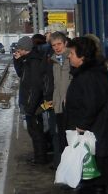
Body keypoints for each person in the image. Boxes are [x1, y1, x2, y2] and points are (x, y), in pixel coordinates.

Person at [64, 36, 108, 194]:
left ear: (83, 56)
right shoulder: (90, 73)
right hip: (96, 128)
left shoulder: (88, 76)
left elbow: (92, 104)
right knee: (94, 162)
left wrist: (81, 125)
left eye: (71, 53)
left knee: (96, 162)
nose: (68, 56)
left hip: (95, 129)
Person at [13, 35, 50, 165]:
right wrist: (17, 60)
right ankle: (39, 156)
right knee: (33, 130)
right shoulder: (28, 60)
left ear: (24, 48)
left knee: (36, 131)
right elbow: (21, 74)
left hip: (33, 103)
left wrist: (30, 106)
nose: (17, 50)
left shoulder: (33, 62)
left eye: (19, 48)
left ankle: (41, 158)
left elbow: (35, 86)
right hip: (30, 102)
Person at [44, 31, 71, 168]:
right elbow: (52, 84)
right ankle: (63, 168)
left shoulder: (71, 58)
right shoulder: (53, 60)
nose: (57, 47)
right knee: (60, 138)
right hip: (58, 106)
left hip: (70, 107)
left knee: (70, 141)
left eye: (59, 44)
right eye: (54, 45)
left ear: (65, 43)